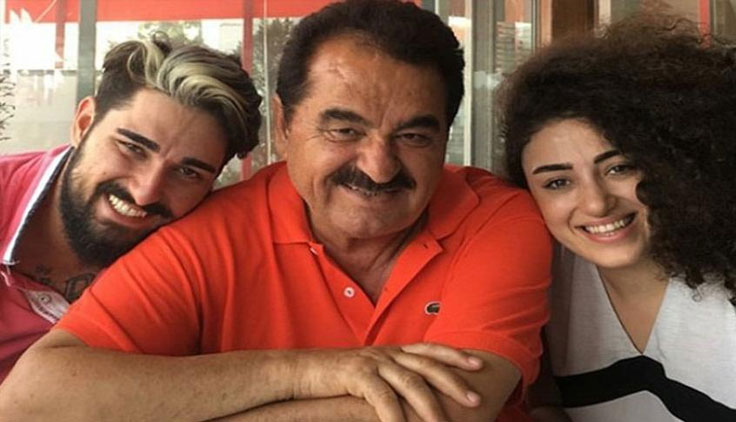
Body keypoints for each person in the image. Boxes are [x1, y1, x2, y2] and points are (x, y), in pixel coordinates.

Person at [0, 0, 552, 421]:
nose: (379, 168)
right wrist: (302, 371)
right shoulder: (214, 231)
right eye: (344, 130)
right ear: (286, 127)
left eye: (413, 136)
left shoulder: (497, 219)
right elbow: (32, 398)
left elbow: (449, 410)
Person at [499, 13, 736, 422]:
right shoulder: (543, 274)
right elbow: (546, 400)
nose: (596, 204)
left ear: (680, 164)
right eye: (558, 182)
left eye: (620, 168)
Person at [0, 34, 262, 382]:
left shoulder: (201, 257)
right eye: (132, 148)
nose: (145, 193)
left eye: (187, 173)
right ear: (84, 124)